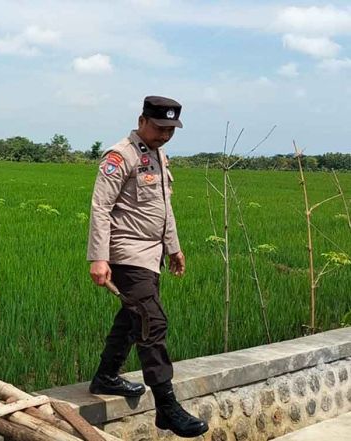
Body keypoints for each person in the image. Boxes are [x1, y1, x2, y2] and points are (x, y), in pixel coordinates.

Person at [86, 96, 208, 438]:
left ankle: (106, 376)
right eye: (159, 128)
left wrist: (174, 249)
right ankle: (167, 407)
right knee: (151, 321)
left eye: (171, 130)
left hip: (151, 255)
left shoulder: (159, 155)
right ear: (142, 120)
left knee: (131, 317)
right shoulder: (119, 156)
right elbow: (100, 208)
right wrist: (98, 257)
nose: (165, 135)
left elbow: (164, 207)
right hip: (126, 252)